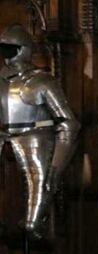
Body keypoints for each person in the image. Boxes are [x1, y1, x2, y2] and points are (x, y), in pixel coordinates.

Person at [0, 23, 80, 238]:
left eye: (11, 48)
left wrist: (56, 166)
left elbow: (68, 123)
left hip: (35, 136)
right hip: (4, 135)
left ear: (24, 49)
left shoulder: (42, 80)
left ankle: (34, 221)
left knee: (37, 181)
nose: (6, 55)